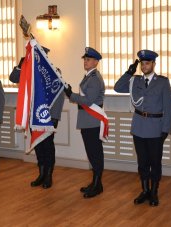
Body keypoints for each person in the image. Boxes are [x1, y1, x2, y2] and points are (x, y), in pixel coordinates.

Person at [114, 50, 171, 206]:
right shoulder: (135, 81)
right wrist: (129, 72)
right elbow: (117, 87)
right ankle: (144, 191)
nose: (144, 66)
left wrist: (165, 129)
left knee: (155, 162)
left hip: (156, 128)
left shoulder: (162, 82)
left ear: (154, 64)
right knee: (142, 162)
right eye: (142, 63)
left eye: (147, 63)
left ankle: (154, 192)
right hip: (139, 127)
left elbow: (169, 106)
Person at [9, 47, 65, 189]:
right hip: (34, 117)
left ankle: (48, 176)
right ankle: (41, 174)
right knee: (38, 145)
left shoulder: (53, 71)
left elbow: (59, 95)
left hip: (49, 117)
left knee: (47, 146)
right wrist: (20, 65)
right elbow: (13, 78)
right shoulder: (29, 72)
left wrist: (54, 117)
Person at [64, 47, 105, 198]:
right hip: (87, 120)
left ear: (96, 62)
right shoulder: (88, 76)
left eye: (88, 60)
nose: (85, 62)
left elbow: (88, 101)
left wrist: (71, 94)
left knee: (95, 153)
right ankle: (96, 183)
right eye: (85, 59)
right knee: (92, 153)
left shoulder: (94, 79)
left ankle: (97, 184)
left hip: (92, 121)